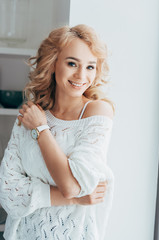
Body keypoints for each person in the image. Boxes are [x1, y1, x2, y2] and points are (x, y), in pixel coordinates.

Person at [0, 24, 115, 240]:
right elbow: (9, 194)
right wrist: (73, 199)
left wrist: (41, 130)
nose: (81, 75)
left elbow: (71, 186)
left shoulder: (96, 112)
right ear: (53, 64)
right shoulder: (31, 116)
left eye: (90, 66)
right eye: (72, 63)